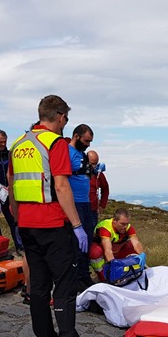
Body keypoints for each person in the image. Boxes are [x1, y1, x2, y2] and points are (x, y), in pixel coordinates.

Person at [8, 94, 103, 337]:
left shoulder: (19, 144)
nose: (66, 123)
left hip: (27, 225)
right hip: (53, 226)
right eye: (66, 119)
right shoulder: (55, 143)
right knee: (63, 288)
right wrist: (76, 225)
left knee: (37, 290)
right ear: (60, 117)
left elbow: (12, 186)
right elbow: (61, 187)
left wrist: (17, 222)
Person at [68, 124, 95, 290]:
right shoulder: (66, 152)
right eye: (86, 141)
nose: (88, 144)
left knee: (87, 241)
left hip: (85, 203)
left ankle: (84, 274)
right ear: (76, 136)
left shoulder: (81, 154)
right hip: (75, 203)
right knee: (77, 243)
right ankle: (76, 278)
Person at [90, 208, 146, 281]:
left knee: (131, 246)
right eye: (122, 224)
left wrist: (141, 255)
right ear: (114, 221)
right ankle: (103, 276)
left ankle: (127, 270)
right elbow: (108, 250)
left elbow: (136, 242)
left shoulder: (128, 227)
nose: (125, 227)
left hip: (115, 249)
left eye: (127, 224)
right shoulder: (105, 228)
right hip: (103, 251)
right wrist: (113, 267)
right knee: (95, 252)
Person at [88, 150, 109, 226]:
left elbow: (105, 189)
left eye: (96, 163)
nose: (94, 166)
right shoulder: (79, 173)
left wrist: (102, 205)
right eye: (92, 164)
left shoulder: (99, 175)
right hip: (79, 208)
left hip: (93, 210)